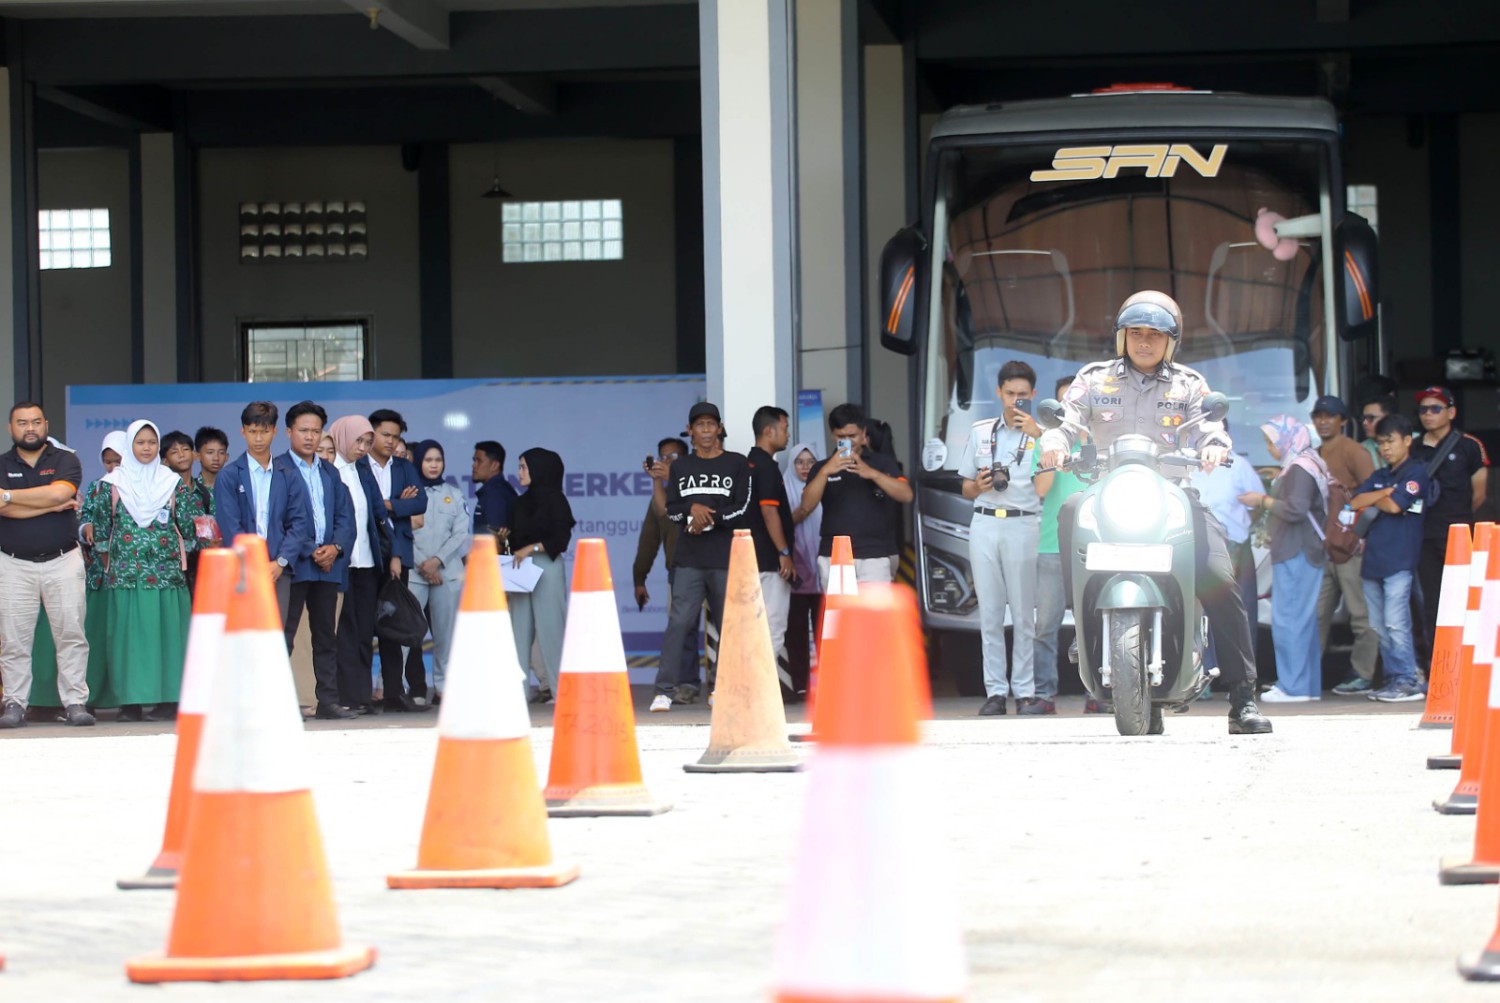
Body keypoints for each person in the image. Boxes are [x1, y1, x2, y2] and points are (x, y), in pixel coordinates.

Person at [1040, 290, 1272, 735]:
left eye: (1155, 334)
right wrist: (1054, 443)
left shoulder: (1188, 384)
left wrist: (1214, 446)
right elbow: (1067, 421)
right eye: (1136, 333)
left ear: (1171, 341)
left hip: (1172, 496)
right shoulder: (1094, 379)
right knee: (1070, 510)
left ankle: (1243, 697)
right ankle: (1082, 620)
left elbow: (1209, 426)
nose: (1144, 342)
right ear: (1122, 337)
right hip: (1108, 494)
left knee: (1219, 577)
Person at [91, 420, 197, 721]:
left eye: (152, 442)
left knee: (169, 640)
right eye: (140, 442)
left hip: (167, 577)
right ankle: (130, 704)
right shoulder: (111, 484)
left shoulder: (172, 483)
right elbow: (101, 530)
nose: (147, 448)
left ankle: (170, 701)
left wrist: (179, 552)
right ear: (130, 446)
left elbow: (189, 526)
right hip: (127, 577)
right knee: (129, 642)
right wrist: (113, 562)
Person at [0, 402, 95, 729]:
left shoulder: (65, 460)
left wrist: (9, 497)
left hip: (63, 560)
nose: (30, 428)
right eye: (22, 422)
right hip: (13, 563)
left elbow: (61, 494)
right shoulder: (1, 464)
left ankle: (75, 702)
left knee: (71, 635)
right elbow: (52, 500)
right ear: (10, 428)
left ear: (46, 425)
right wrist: (48, 504)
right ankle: (14, 703)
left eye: (36, 422)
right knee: (13, 640)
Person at [959, 361, 1045, 717]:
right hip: (984, 522)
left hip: (1023, 523)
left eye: (1022, 395)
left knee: (1024, 613)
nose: (1014, 401)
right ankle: (995, 691)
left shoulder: (1042, 434)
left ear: (1033, 395)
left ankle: (1025, 691)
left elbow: (1049, 481)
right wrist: (978, 486)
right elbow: (965, 486)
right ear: (999, 392)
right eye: (1010, 394)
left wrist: (1040, 436)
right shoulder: (981, 432)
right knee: (990, 613)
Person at [654, 402, 752, 712]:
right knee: (679, 623)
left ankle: (723, 689)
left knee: (729, 626)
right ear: (690, 430)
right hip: (688, 558)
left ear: (720, 428)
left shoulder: (737, 463)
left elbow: (742, 508)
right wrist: (691, 511)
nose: (706, 430)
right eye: (700, 425)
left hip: (725, 557)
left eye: (711, 424)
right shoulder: (680, 467)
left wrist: (707, 519)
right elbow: (671, 510)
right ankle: (664, 690)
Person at [278, 401, 356, 721]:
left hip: (328, 567)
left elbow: (345, 516)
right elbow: (281, 519)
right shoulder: (278, 469)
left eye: (315, 431)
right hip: (296, 565)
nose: (310, 437)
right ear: (288, 432)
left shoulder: (329, 471)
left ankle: (328, 702)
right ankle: (280, 703)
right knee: (285, 636)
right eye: (303, 430)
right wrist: (312, 549)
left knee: (326, 637)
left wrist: (335, 547)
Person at [1244, 416, 1329, 702]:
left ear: (1287, 439)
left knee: (1288, 620)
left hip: (1296, 550)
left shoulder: (1299, 469)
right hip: (1305, 550)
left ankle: (1293, 687)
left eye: (1271, 442)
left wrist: (1261, 500)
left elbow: (1295, 509)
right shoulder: (1307, 462)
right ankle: (1306, 686)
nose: (1269, 448)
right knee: (1303, 621)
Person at [1350, 413, 1429, 703]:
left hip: (1400, 560)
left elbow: (1396, 506)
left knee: (1396, 623)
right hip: (1373, 561)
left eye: (1390, 441)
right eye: (1381, 442)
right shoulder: (1381, 476)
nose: (1385, 448)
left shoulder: (1416, 472)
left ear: (1407, 440)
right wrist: (1383, 492)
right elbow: (1355, 501)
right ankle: (1393, 679)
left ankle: (1408, 679)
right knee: (1380, 626)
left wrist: (1379, 497)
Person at [1410, 386, 1489, 667]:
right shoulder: (1413, 446)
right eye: (1423, 409)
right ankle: (1438, 663)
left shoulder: (1469, 445)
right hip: (1423, 535)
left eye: (1435, 408)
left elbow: (1479, 494)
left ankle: (1467, 662)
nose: (1428, 414)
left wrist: (1457, 521)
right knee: (1431, 601)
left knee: (1464, 598)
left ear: (1451, 412)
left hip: (1458, 536)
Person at [793, 403, 913, 586]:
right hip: (834, 554)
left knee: (875, 606)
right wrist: (825, 472)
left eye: (852, 436)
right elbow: (806, 506)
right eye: (841, 437)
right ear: (832, 435)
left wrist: (871, 473)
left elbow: (907, 495)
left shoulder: (882, 463)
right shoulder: (821, 467)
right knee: (838, 606)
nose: (847, 441)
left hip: (874, 554)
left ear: (863, 433)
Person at [213, 401, 311, 619]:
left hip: (278, 570)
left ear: (275, 431)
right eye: (252, 432)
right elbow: (230, 526)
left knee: (276, 631)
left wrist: (281, 562)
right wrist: (253, 563)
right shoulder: (229, 475)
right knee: (243, 631)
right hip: (241, 569)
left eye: (264, 432)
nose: (258, 439)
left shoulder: (289, 475)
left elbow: (298, 523)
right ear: (243, 432)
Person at [1310, 395, 1379, 696]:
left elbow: (1374, 495)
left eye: (1330, 415)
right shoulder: (1314, 454)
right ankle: (1304, 676)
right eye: (1318, 416)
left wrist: (1360, 536)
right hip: (1323, 547)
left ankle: (1363, 674)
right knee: (1315, 616)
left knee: (1361, 615)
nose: (1323, 421)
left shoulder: (1354, 451)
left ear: (1343, 421)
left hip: (1349, 547)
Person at [1188, 421, 1263, 698]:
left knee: (1239, 613)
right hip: (1194, 546)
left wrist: (1236, 529)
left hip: (1233, 547)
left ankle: (1243, 685)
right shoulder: (1184, 464)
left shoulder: (1239, 465)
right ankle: (1200, 679)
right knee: (1196, 613)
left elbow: (1256, 504)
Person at [366, 408, 430, 711]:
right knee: (362, 625)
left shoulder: (404, 467)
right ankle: (359, 693)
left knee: (393, 626)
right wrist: (396, 504)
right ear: (372, 433)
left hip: (397, 555)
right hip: (366, 553)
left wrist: (389, 504)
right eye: (385, 435)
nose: (391, 441)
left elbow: (420, 502)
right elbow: (363, 506)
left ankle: (393, 693)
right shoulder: (360, 465)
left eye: (396, 436)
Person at [1032, 375, 1088, 715]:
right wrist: (1051, 451)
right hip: (1052, 545)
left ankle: (1098, 693)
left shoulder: (1102, 444)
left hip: (1093, 546)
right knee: (1045, 626)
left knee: (1095, 621)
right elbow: (1041, 490)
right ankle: (1043, 695)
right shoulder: (1044, 444)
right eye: (1064, 404)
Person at [507, 448, 575, 702]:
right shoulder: (520, 502)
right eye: (520, 466)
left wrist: (532, 548)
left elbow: (561, 540)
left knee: (552, 629)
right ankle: (517, 693)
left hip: (547, 566)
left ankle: (561, 692)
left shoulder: (556, 501)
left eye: (524, 467)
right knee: (518, 631)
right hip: (520, 567)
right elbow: (515, 539)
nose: (520, 472)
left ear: (540, 469)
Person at [330, 416, 388, 715]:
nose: (363, 448)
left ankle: (362, 696)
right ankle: (345, 696)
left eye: (367, 442)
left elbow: (377, 514)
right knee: (344, 633)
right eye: (358, 441)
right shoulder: (329, 469)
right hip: (340, 563)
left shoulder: (362, 470)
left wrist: (391, 554)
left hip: (366, 563)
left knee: (364, 632)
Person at [633, 437, 700, 690]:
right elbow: (649, 539)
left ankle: (720, 685)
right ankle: (687, 684)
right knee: (683, 628)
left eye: (673, 457)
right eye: (662, 457)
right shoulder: (660, 495)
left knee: (720, 627)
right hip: (679, 569)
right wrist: (639, 579)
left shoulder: (695, 486)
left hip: (712, 565)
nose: (666, 461)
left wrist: (671, 478)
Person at [410, 440, 470, 704]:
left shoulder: (453, 494)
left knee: (446, 634)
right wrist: (423, 563)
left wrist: (437, 561)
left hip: (446, 572)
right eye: (428, 460)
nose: (433, 465)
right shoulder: (409, 493)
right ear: (418, 462)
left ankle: (443, 686)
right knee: (407, 632)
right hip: (415, 571)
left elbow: (460, 534)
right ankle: (396, 686)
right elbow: (402, 531)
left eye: (438, 460)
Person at [747, 406, 795, 698]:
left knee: (755, 628)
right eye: (785, 428)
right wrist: (784, 552)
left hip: (751, 560)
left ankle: (753, 688)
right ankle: (760, 692)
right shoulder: (765, 467)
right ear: (769, 431)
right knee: (773, 627)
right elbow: (768, 511)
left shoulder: (749, 463)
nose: (788, 434)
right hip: (769, 560)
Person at [782, 440, 823, 701]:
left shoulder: (825, 488)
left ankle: (827, 685)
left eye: (810, 462)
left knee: (824, 631)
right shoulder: (783, 489)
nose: (805, 467)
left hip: (822, 572)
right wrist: (803, 509)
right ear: (792, 464)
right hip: (796, 571)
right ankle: (799, 684)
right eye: (799, 462)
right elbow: (781, 526)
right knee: (795, 633)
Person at [162, 429, 217, 592]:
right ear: (165, 461)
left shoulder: (205, 492)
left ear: (194, 455)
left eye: (185, 449)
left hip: (202, 568)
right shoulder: (163, 494)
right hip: (172, 568)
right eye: (174, 452)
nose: (181, 455)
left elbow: (212, 528)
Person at [472, 440, 518, 542]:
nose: (474, 465)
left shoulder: (495, 495)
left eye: (479, 461)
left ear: (495, 466)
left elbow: (495, 542)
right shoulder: (497, 491)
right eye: (474, 460)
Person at [1358, 396, 1395, 471]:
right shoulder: (1360, 449)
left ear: (1388, 418)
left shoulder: (1413, 440)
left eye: (1370, 418)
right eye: (1363, 418)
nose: (1364, 423)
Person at [193, 426, 228, 492]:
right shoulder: (188, 490)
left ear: (226, 457)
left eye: (221, 453)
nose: (216, 458)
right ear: (197, 456)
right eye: (210, 452)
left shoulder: (234, 489)